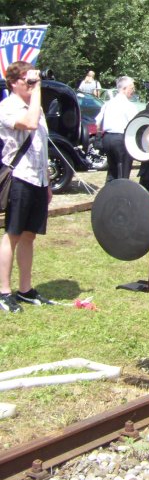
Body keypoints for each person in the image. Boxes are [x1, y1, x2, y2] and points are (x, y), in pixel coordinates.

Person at [0, 62, 52, 312]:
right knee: (13, 234)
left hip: (38, 179)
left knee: (30, 236)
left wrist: (48, 181)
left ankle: (25, 289)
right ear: (13, 83)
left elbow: (42, 146)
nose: (31, 84)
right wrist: (38, 87)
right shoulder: (7, 107)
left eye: (32, 80)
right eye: (26, 80)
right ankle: (3, 291)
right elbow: (30, 124)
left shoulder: (36, 107)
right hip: (19, 178)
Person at [95, 76, 138, 182]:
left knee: (112, 170)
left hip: (108, 139)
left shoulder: (107, 104)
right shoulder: (129, 106)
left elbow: (97, 122)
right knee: (123, 171)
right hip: (121, 139)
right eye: (131, 88)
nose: (133, 91)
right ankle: (121, 194)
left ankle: (109, 192)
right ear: (124, 89)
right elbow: (135, 123)